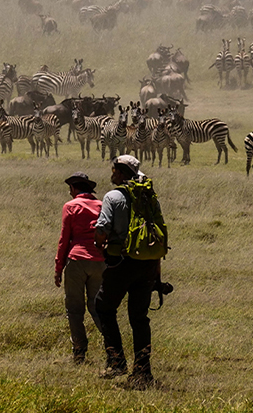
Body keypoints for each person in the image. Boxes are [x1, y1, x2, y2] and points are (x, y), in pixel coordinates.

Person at [93, 155, 160, 389]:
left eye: (114, 169)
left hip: (121, 262)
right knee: (139, 318)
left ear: (121, 173)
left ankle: (116, 361)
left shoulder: (113, 196)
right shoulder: (148, 196)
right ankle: (143, 372)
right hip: (148, 264)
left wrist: (99, 242)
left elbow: (102, 227)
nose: (112, 173)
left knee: (103, 307)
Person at [54, 172, 105, 364]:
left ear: (74, 189)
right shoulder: (101, 205)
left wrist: (59, 268)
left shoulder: (70, 206)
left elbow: (64, 239)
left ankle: (79, 351)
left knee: (74, 309)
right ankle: (113, 349)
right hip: (100, 261)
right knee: (97, 307)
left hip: (76, 260)